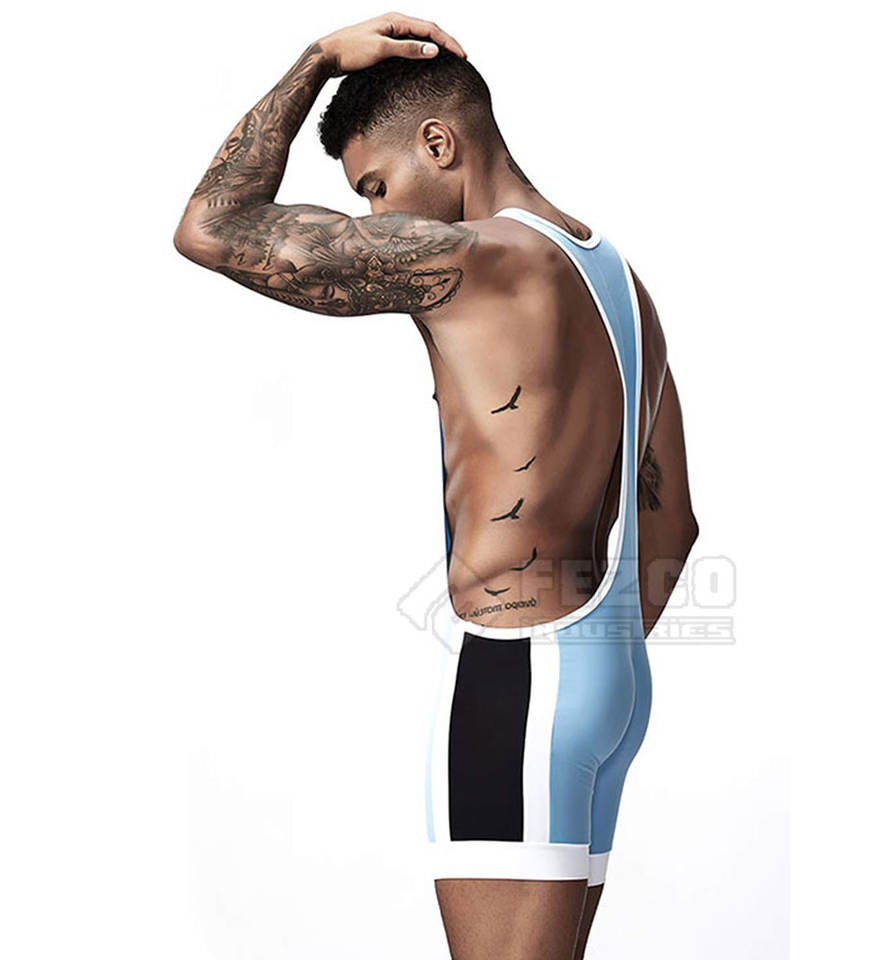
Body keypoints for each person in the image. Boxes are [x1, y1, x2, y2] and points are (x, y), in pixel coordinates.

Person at [174, 13, 698, 959]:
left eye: (375, 186)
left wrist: (317, 60)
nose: (377, 218)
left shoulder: (476, 259)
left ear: (440, 143)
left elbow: (210, 227)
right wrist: (588, 670)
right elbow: (675, 526)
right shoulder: (623, 284)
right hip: (611, 682)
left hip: (516, 676)